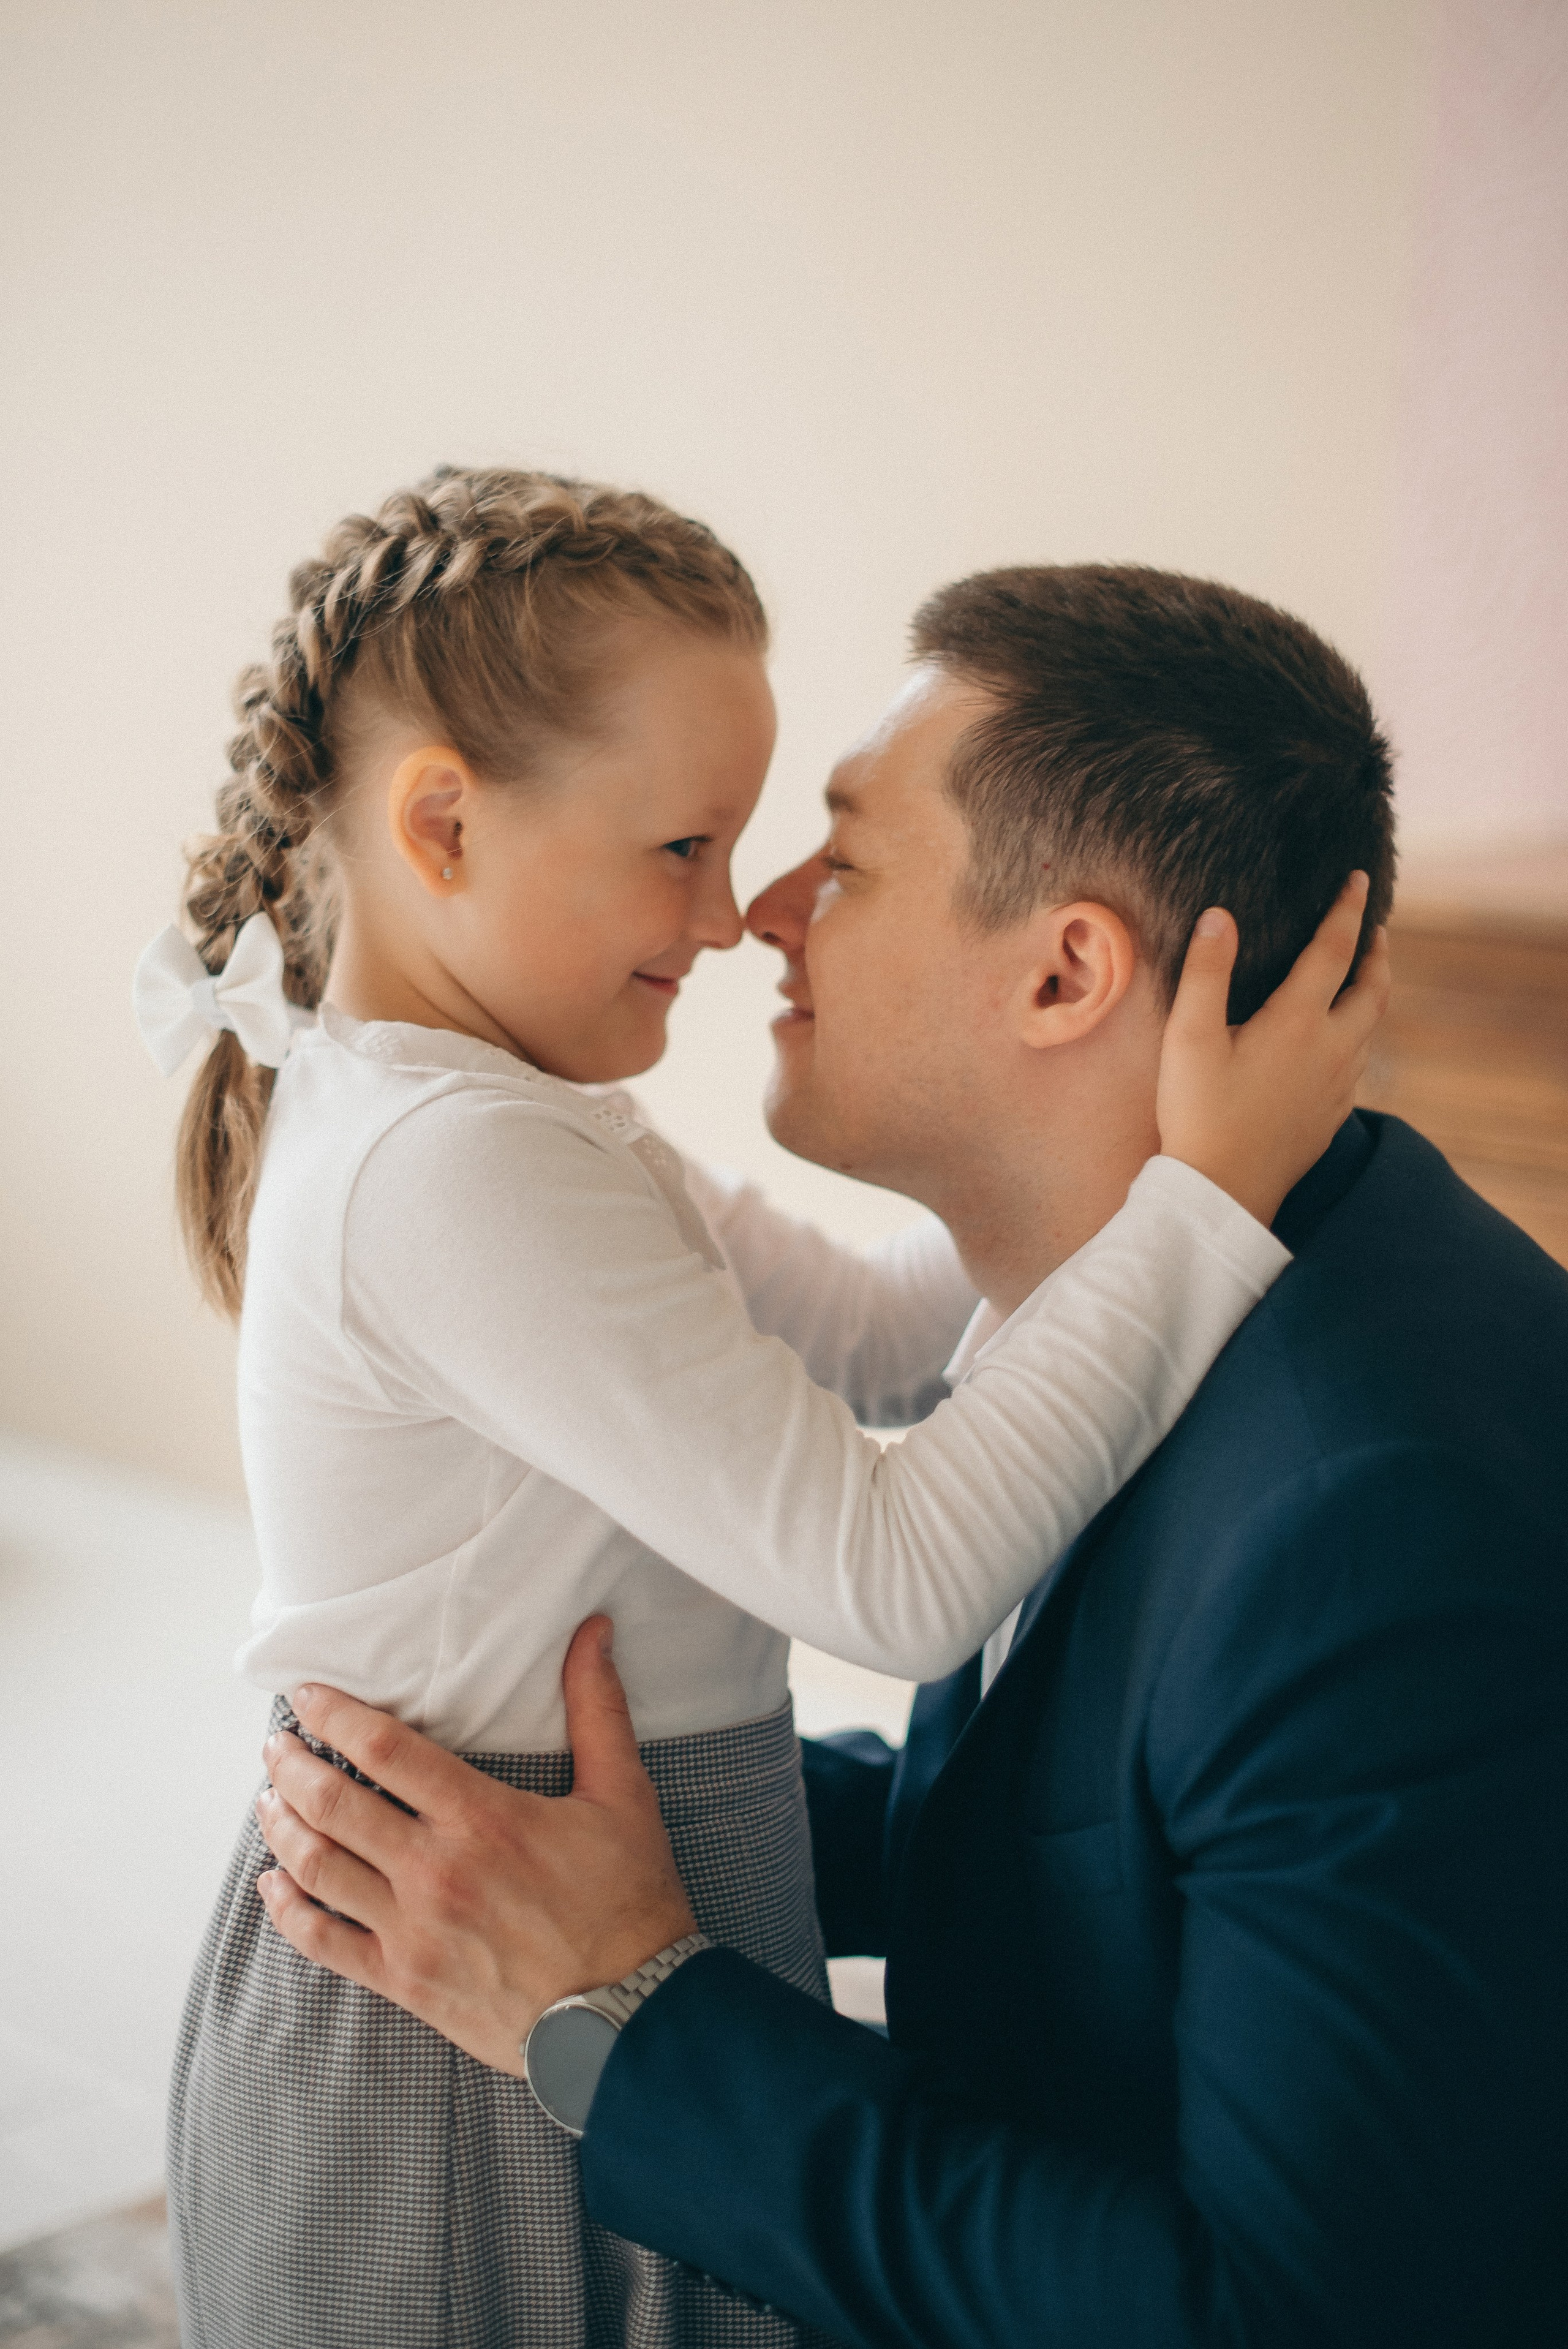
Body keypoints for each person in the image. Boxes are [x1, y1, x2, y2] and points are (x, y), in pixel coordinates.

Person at [254, 564, 1568, 2348]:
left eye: (842, 860)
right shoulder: (1125, 1296)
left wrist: (621, 2004)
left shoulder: (1369, 1512)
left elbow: (1276, 2317)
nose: (756, 916)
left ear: (1064, 973)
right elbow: (1103, 1808)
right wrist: (560, 1835)